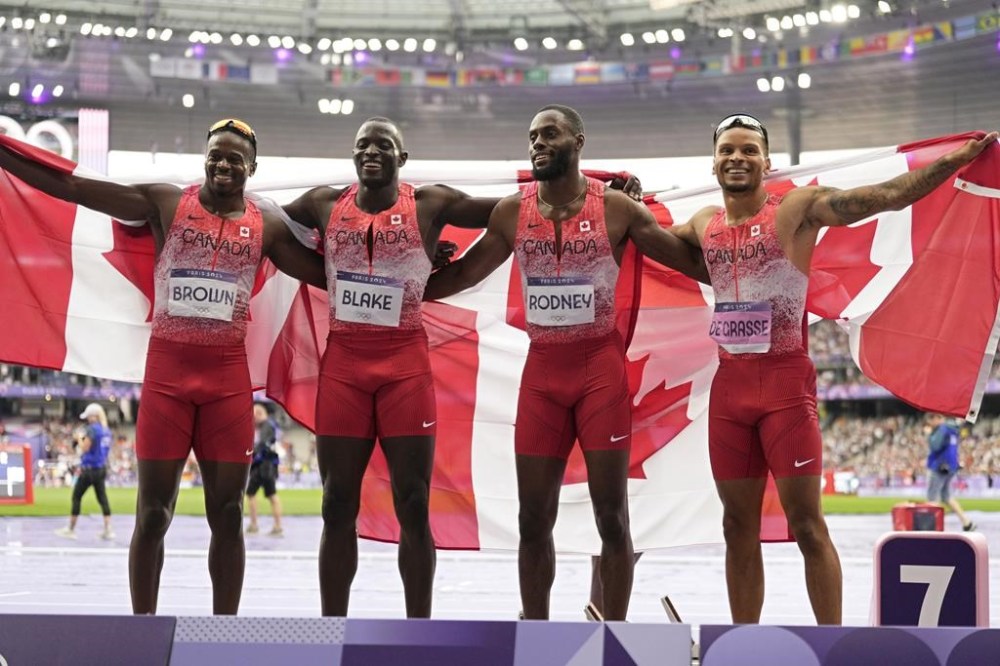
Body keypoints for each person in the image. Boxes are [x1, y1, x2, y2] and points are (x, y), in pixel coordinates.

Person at [670, 113, 996, 625]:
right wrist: (618, 198)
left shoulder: (796, 209)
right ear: (713, 163)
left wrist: (952, 162)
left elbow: (882, 196)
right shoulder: (702, 224)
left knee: (807, 524)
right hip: (729, 394)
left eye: (749, 150)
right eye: (728, 150)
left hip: (784, 388)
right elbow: (641, 238)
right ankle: (741, 640)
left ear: (766, 162)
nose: (737, 157)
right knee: (737, 526)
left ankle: (832, 642)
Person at [0, 118, 327, 614]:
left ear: (252, 168)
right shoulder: (168, 203)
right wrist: (6, 155)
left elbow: (326, 274)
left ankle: (224, 630)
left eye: (235, 158)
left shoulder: (268, 224)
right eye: (216, 153)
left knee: (228, 513)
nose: (223, 163)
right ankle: (142, 627)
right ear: (206, 157)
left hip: (226, 387)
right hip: (167, 383)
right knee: (152, 514)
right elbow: (74, 187)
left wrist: (421, 264)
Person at [423, 104, 707, 621]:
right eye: (532, 135)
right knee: (533, 519)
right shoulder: (513, 212)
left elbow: (685, 261)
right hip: (543, 375)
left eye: (549, 134)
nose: (537, 143)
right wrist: (408, 287)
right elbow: (465, 275)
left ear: (578, 140)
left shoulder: (617, 209)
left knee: (612, 519)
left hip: (599, 372)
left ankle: (613, 637)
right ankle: (536, 632)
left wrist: (752, 265)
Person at [280, 116, 511, 618]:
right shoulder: (323, 203)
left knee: (413, 503)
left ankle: (419, 629)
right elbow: (257, 219)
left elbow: (514, 208)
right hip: (343, 368)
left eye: (383, 145)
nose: (371, 152)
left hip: (405, 368)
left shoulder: (431, 204)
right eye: (363, 144)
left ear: (402, 158)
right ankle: (331, 626)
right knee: (336, 504)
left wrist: (599, 186)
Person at [55, 403, 114, 540]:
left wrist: (78, 439)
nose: (87, 419)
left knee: (76, 496)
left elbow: (86, 447)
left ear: (94, 416)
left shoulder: (92, 429)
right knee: (102, 498)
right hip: (101, 468)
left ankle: (71, 529)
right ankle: (108, 529)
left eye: (88, 416)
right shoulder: (106, 430)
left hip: (89, 468)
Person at [926, 413, 976, 531]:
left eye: (931, 418)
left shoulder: (942, 429)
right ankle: (966, 522)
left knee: (932, 498)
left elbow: (935, 446)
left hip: (939, 466)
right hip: (951, 466)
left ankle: (932, 528)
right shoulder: (953, 430)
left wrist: (929, 434)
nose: (930, 422)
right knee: (946, 496)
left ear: (939, 418)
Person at [246, 402, 283, 536]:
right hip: (263, 464)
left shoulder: (267, 425)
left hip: (265, 465)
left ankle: (270, 526)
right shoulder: (262, 427)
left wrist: (250, 453)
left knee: (265, 494)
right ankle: (257, 525)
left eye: (259, 413)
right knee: (259, 494)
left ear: (265, 414)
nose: (255, 417)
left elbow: (262, 444)